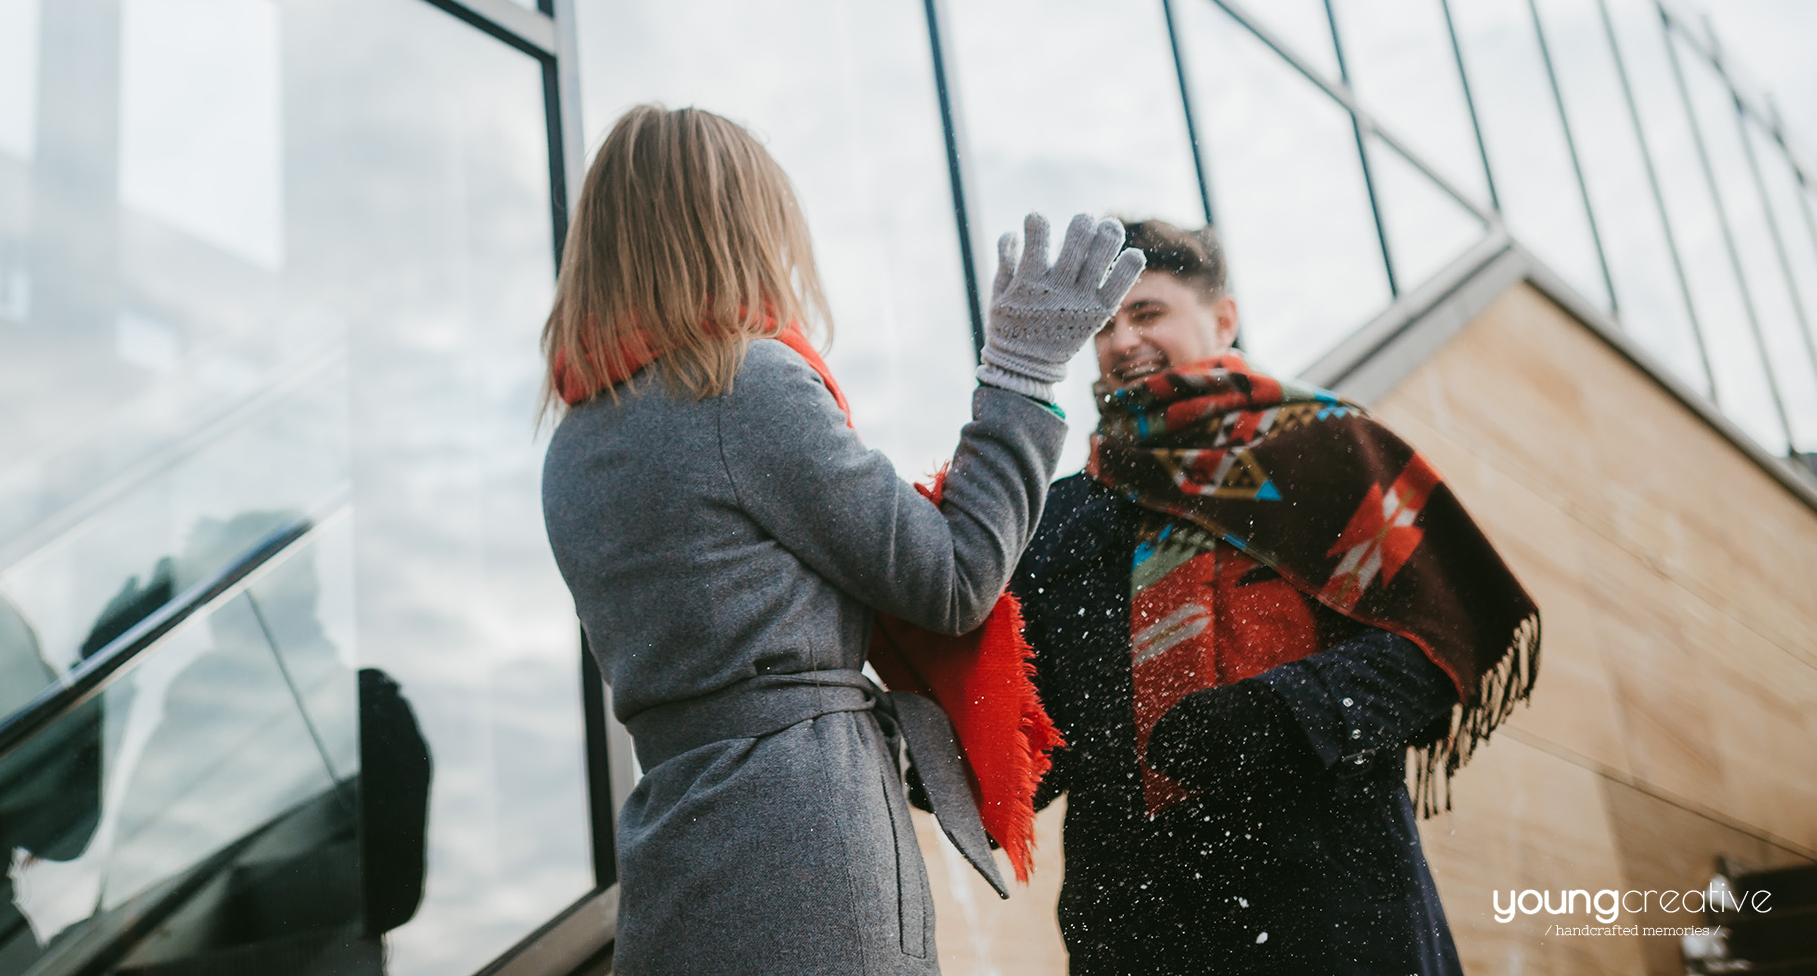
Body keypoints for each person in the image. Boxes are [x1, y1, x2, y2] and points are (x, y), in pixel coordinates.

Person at [539, 105, 1143, 975]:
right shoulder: (744, 383)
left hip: (671, 833)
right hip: (804, 836)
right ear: (739, 226)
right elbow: (950, 576)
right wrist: (1021, 375)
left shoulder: (575, 442)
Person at [1016, 220, 1540, 975]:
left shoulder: (1324, 450)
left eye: (1148, 312)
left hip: (1334, 914)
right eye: (1103, 324)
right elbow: (1039, 731)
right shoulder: (1062, 514)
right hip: (1135, 929)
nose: (1122, 340)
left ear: (1223, 319)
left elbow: (1434, 643)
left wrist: (1280, 713)